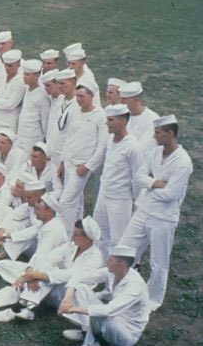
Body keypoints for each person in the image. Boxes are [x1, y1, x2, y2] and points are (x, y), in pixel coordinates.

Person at [118, 115, 193, 311]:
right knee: (124, 250)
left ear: (170, 134)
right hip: (143, 211)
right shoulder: (155, 152)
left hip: (163, 218)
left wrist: (148, 187)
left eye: (158, 133)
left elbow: (171, 194)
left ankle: (152, 301)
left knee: (158, 262)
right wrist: (154, 183)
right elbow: (139, 175)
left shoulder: (183, 162)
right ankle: (118, 289)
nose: (154, 136)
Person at [0, 216, 103, 320]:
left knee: (47, 276)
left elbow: (71, 275)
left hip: (68, 296)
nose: (72, 237)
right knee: (9, 267)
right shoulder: (72, 245)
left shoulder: (95, 257)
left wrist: (35, 276)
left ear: (88, 239)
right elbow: (47, 258)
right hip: (49, 285)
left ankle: (19, 307)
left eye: (76, 235)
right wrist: (30, 274)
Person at [0, 194, 69, 322]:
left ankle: (20, 308)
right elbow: (28, 233)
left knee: (23, 284)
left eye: (38, 210)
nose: (35, 212)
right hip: (39, 271)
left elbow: (43, 258)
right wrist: (5, 235)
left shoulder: (55, 230)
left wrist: (28, 276)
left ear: (49, 212)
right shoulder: (47, 223)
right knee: (3, 265)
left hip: (52, 283)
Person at [59, 245, 149, 346]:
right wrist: (67, 299)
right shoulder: (112, 272)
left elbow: (109, 311)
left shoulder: (135, 286)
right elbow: (79, 277)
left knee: (101, 313)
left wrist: (73, 309)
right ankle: (86, 331)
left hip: (127, 333)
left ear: (120, 265)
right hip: (114, 319)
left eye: (110, 260)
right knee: (81, 288)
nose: (106, 262)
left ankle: (91, 344)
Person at [93, 104, 142, 258]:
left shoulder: (133, 146)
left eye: (111, 120)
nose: (107, 123)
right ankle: (100, 266)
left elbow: (138, 177)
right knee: (99, 234)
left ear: (123, 121)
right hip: (104, 194)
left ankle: (116, 271)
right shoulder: (110, 140)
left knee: (118, 240)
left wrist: (135, 201)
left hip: (120, 199)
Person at [57, 83, 107, 233]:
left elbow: (102, 146)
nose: (79, 99)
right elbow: (69, 137)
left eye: (82, 96)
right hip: (69, 162)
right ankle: (77, 232)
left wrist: (88, 167)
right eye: (77, 96)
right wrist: (62, 162)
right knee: (76, 202)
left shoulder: (100, 116)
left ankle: (66, 233)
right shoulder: (74, 111)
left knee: (66, 202)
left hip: (81, 166)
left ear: (91, 96)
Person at [119, 81, 158, 155]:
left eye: (125, 99)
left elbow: (145, 147)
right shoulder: (123, 117)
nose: (121, 102)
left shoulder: (152, 119)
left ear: (136, 99)